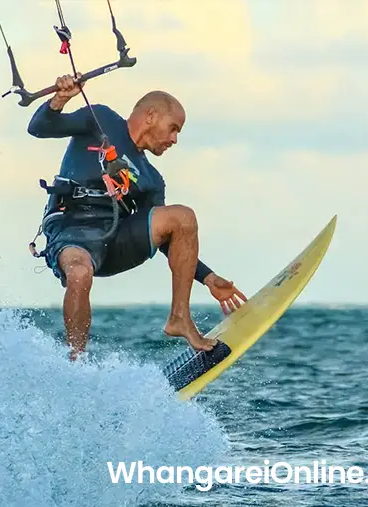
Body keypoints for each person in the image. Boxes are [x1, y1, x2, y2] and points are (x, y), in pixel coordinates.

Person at [27, 74, 247, 361]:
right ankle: (75, 361)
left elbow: (171, 240)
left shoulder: (152, 179)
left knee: (182, 217)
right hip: (72, 230)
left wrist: (208, 278)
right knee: (79, 273)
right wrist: (60, 99)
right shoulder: (102, 119)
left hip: (114, 240)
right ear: (151, 116)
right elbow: (39, 127)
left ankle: (179, 317)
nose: (174, 139)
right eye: (173, 128)